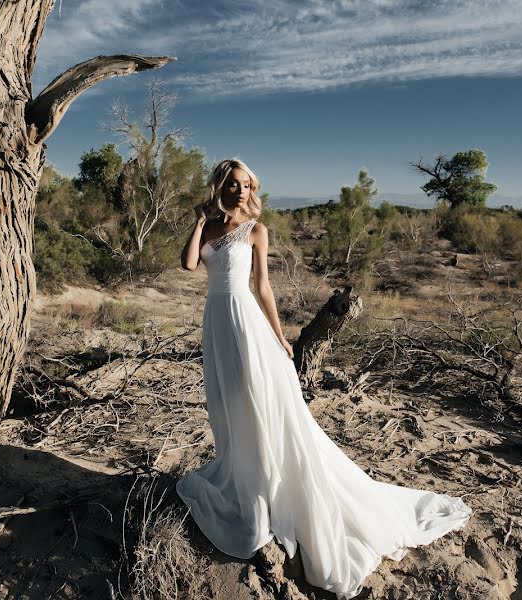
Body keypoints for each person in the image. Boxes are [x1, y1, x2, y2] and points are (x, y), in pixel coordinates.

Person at [176, 158, 472, 599]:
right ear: (219, 186)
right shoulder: (212, 227)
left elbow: (263, 288)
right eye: (233, 185)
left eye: (247, 185)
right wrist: (199, 221)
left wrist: (280, 337)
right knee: (227, 402)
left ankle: (268, 485)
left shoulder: (256, 229)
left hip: (245, 323)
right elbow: (187, 265)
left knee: (257, 402)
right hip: (216, 323)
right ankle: (241, 471)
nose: (241, 192)